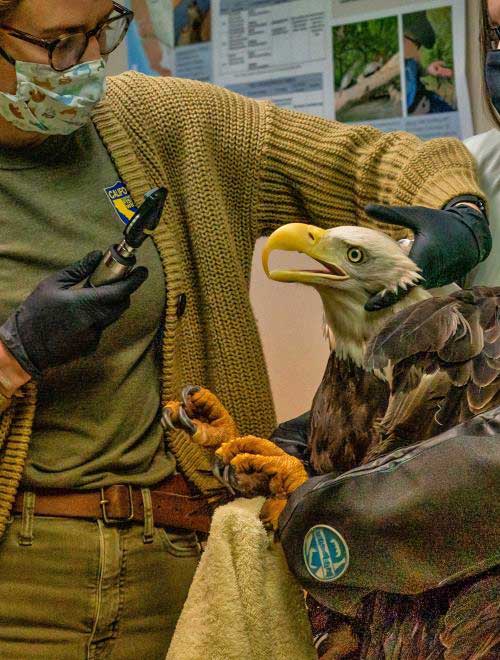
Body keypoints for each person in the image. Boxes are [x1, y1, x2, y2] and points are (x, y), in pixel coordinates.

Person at [0, 0, 492, 657]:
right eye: (60, 44)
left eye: (102, 30)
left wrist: (456, 209)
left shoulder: (156, 122)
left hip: (186, 560)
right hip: (24, 586)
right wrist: (16, 352)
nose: (90, 61)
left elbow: (377, 157)